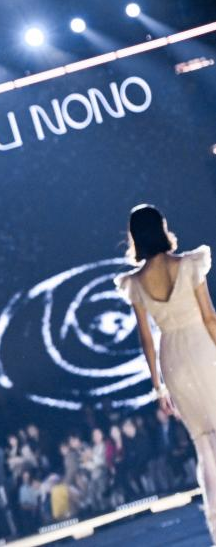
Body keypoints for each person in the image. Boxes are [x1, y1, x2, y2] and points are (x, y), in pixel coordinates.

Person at [113, 203, 216, 541]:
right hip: (203, 349)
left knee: (204, 445)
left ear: (135, 238)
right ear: (161, 228)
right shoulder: (189, 264)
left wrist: (158, 387)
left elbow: (147, 339)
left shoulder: (135, 283)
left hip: (173, 360)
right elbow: (210, 318)